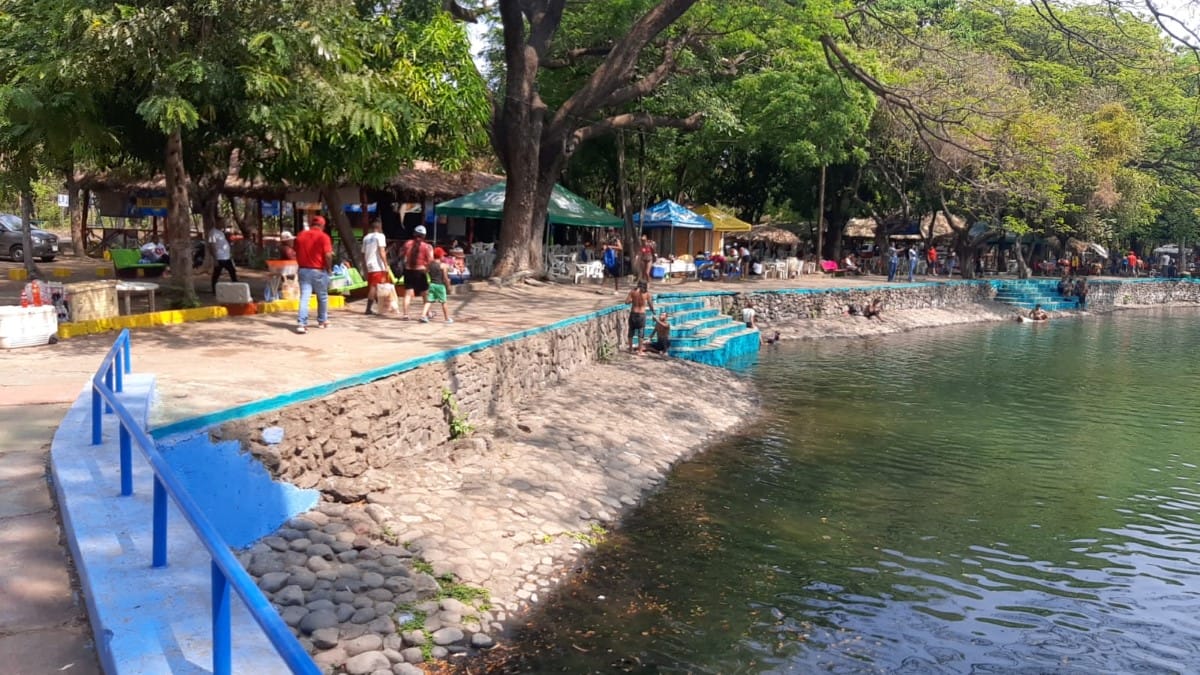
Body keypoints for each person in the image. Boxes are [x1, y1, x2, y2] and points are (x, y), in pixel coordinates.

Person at [295, 215, 333, 333]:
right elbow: (327, 255)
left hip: (303, 270)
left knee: (304, 297)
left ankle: (302, 323)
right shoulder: (324, 237)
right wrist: (329, 268)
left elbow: (296, 250)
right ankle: (322, 320)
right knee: (322, 296)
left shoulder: (301, 235)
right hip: (319, 271)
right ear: (322, 225)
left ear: (312, 224)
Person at [400, 225, 434, 319]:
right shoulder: (426, 247)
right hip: (420, 272)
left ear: (414, 234)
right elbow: (430, 260)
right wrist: (427, 270)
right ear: (424, 236)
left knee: (407, 293)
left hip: (408, 271)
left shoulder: (407, 244)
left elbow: (402, 255)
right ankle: (428, 313)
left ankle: (406, 314)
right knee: (425, 294)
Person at [362, 219, 388, 315]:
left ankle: (381, 306)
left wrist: (364, 265)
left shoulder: (366, 238)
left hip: (369, 264)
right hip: (377, 265)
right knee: (374, 286)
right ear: (379, 227)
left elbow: (363, 253)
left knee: (376, 286)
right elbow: (382, 251)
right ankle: (368, 308)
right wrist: (386, 265)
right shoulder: (380, 236)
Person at [421, 248, 453, 323]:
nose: (443, 257)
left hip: (432, 285)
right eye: (443, 255)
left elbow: (425, 272)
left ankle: (423, 316)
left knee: (429, 301)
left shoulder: (430, 264)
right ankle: (447, 318)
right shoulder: (443, 265)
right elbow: (445, 277)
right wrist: (448, 286)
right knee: (444, 302)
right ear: (440, 256)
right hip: (440, 286)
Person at [207, 223, 237, 293]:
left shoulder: (221, 232)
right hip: (219, 257)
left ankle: (236, 286)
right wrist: (215, 258)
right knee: (216, 273)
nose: (223, 224)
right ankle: (214, 290)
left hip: (226, 257)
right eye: (221, 223)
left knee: (232, 271)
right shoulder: (213, 232)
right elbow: (212, 245)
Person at [625, 282, 654, 354]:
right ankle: (640, 351)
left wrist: (633, 300)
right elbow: (650, 304)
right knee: (641, 332)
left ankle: (630, 349)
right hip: (641, 314)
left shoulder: (632, 292)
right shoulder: (647, 293)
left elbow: (626, 302)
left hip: (633, 313)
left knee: (631, 331)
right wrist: (653, 311)